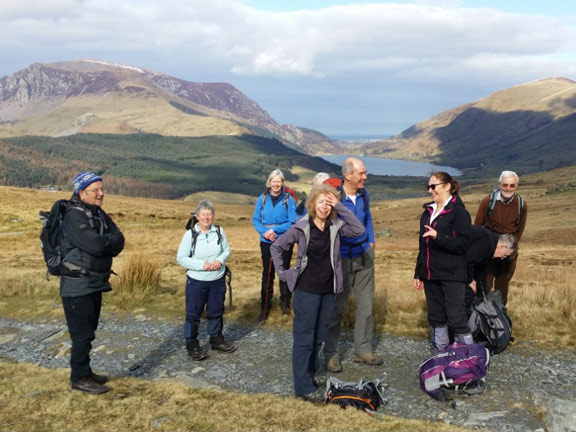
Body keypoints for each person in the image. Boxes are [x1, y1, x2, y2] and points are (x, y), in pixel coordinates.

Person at [271, 184, 365, 402]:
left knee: (319, 336)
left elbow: (359, 231)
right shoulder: (301, 226)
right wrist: (284, 274)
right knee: (304, 338)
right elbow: (277, 247)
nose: (325, 206)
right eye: (321, 201)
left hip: (328, 291)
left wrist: (339, 206)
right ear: (312, 203)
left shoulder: (336, 225)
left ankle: (311, 374)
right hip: (306, 290)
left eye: (329, 202)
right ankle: (302, 386)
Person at [59, 171, 125, 394]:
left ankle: (85, 373)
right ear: (82, 192)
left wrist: (105, 242)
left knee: (89, 330)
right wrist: (107, 242)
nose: (101, 194)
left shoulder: (98, 214)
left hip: (93, 282)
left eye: (102, 189)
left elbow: (120, 239)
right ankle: (78, 378)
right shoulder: (73, 216)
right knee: (81, 334)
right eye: (96, 190)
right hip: (77, 284)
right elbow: (97, 245)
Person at [324, 157, 383, 372]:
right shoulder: (333, 197)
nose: (365, 177)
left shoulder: (364, 195)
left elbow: (368, 219)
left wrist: (371, 241)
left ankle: (363, 350)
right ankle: (330, 354)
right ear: (348, 175)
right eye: (362, 173)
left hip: (364, 258)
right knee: (336, 309)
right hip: (341, 260)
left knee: (366, 306)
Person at [413, 172, 473, 354]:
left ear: (447, 186)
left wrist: (438, 236)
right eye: (428, 187)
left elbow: (463, 244)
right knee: (436, 317)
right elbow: (423, 246)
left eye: (434, 186)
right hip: (431, 275)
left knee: (456, 318)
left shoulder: (459, 212)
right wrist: (418, 272)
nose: (430, 191)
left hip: (452, 275)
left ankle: (467, 358)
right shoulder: (428, 212)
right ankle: (439, 358)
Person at [177, 200, 235, 361]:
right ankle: (192, 344)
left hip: (217, 279)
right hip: (197, 281)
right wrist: (203, 265)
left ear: (213, 215)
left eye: (209, 214)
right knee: (193, 313)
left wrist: (220, 261)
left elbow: (226, 250)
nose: (206, 217)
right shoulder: (190, 235)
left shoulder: (219, 231)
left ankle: (216, 339)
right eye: (203, 214)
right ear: (197, 216)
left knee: (216, 310)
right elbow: (181, 258)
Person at [474, 171, 527, 305]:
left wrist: (511, 248)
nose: (508, 188)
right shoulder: (488, 201)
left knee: (503, 284)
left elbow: (520, 228)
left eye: (512, 185)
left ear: (516, 186)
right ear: (499, 185)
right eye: (505, 185)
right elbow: (477, 226)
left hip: (508, 253)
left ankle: (500, 315)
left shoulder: (521, 204)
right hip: (489, 251)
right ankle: (480, 312)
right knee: (485, 282)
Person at [252, 169, 298, 320]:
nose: (276, 184)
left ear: (282, 183)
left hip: (284, 240)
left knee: (283, 272)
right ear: (269, 182)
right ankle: (265, 306)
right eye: (274, 181)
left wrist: (274, 230)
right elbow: (256, 219)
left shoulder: (288, 199)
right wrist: (264, 232)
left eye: (279, 181)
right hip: (266, 241)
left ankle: (285, 304)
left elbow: (292, 221)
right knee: (268, 273)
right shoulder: (262, 199)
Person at [465, 226, 518, 307]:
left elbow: (480, 272)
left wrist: (482, 295)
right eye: (505, 255)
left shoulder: (490, 245)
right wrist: (470, 281)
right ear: (502, 247)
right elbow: (467, 261)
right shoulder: (485, 243)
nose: (502, 258)